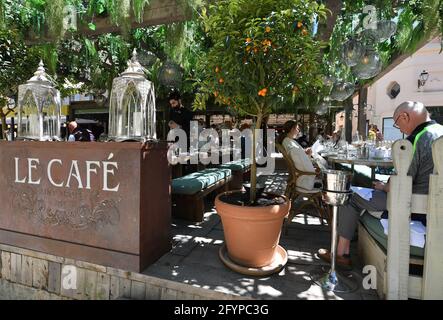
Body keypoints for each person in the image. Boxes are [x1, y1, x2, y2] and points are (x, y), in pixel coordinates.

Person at [318, 101, 443, 268]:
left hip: (412, 205)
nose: (399, 129)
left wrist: (384, 186)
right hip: (434, 208)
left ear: (405, 116)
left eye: (397, 124)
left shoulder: (416, 139)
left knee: (349, 195)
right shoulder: (440, 131)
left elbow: (398, 185)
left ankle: (341, 254)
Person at [277, 120, 321, 191]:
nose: (298, 131)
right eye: (297, 129)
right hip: (305, 182)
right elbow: (304, 165)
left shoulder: (288, 141)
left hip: (300, 177)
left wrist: (305, 153)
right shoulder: (291, 144)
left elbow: (300, 160)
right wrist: (315, 171)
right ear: (292, 129)